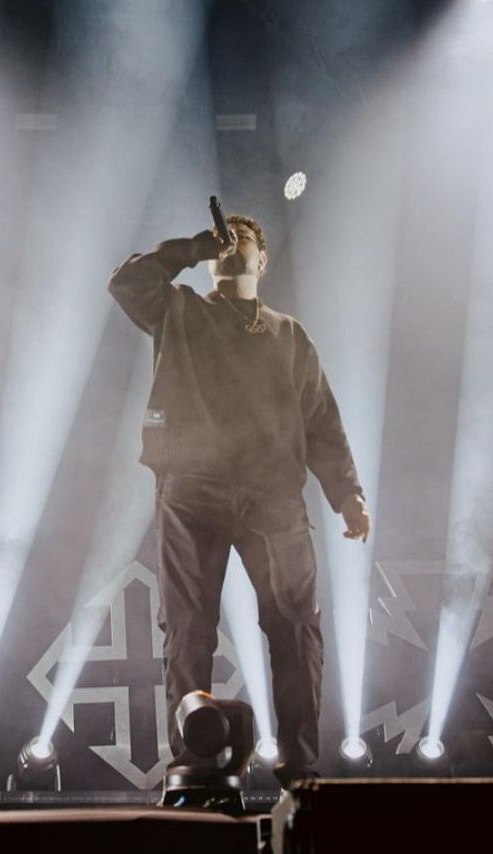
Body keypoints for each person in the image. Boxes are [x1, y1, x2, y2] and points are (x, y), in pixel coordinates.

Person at [108, 214, 370, 789]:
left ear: (262, 260)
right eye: (223, 239)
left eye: (242, 238)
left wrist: (347, 492)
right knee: (187, 627)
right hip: (191, 488)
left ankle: (300, 764)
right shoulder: (179, 309)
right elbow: (126, 283)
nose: (230, 244)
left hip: (273, 494)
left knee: (296, 627)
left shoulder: (289, 335)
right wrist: (190, 247)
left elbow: (321, 419)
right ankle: (195, 756)